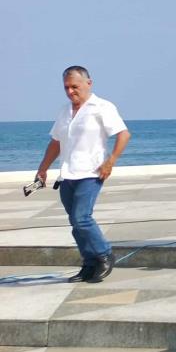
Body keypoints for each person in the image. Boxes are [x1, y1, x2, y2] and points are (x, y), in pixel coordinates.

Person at [35, 66, 130, 283]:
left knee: (82, 218)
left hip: (91, 172)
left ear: (89, 83)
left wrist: (111, 161)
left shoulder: (102, 107)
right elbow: (56, 142)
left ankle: (104, 254)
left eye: (74, 86)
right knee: (75, 223)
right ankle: (89, 264)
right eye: (66, 87)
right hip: (67, 175)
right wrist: (42, 169)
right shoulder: (64, 111)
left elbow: (124, 134)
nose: (70, 91)